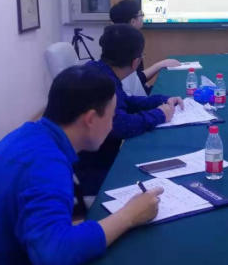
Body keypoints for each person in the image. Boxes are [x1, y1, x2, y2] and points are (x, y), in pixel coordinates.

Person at [0, 66, 164, 265]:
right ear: (90, 119)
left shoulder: (31, 135)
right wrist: (129, 215)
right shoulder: (46, 166)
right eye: (112, 116)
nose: (113, 124)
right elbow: (54, 255)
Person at [78, 24, 184, 195]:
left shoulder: (98, 69)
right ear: (136, 62)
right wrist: (159, 114)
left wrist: (161, 100)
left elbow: (126, 101)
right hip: (98, 169)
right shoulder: (103, 83)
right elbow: (121, 125)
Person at [109, 0, 180, 95]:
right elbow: (134, 81)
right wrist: (160, 64)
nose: (143, 17)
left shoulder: (117, 38)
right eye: (141, 14)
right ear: (133, 21)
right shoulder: (127, 44)